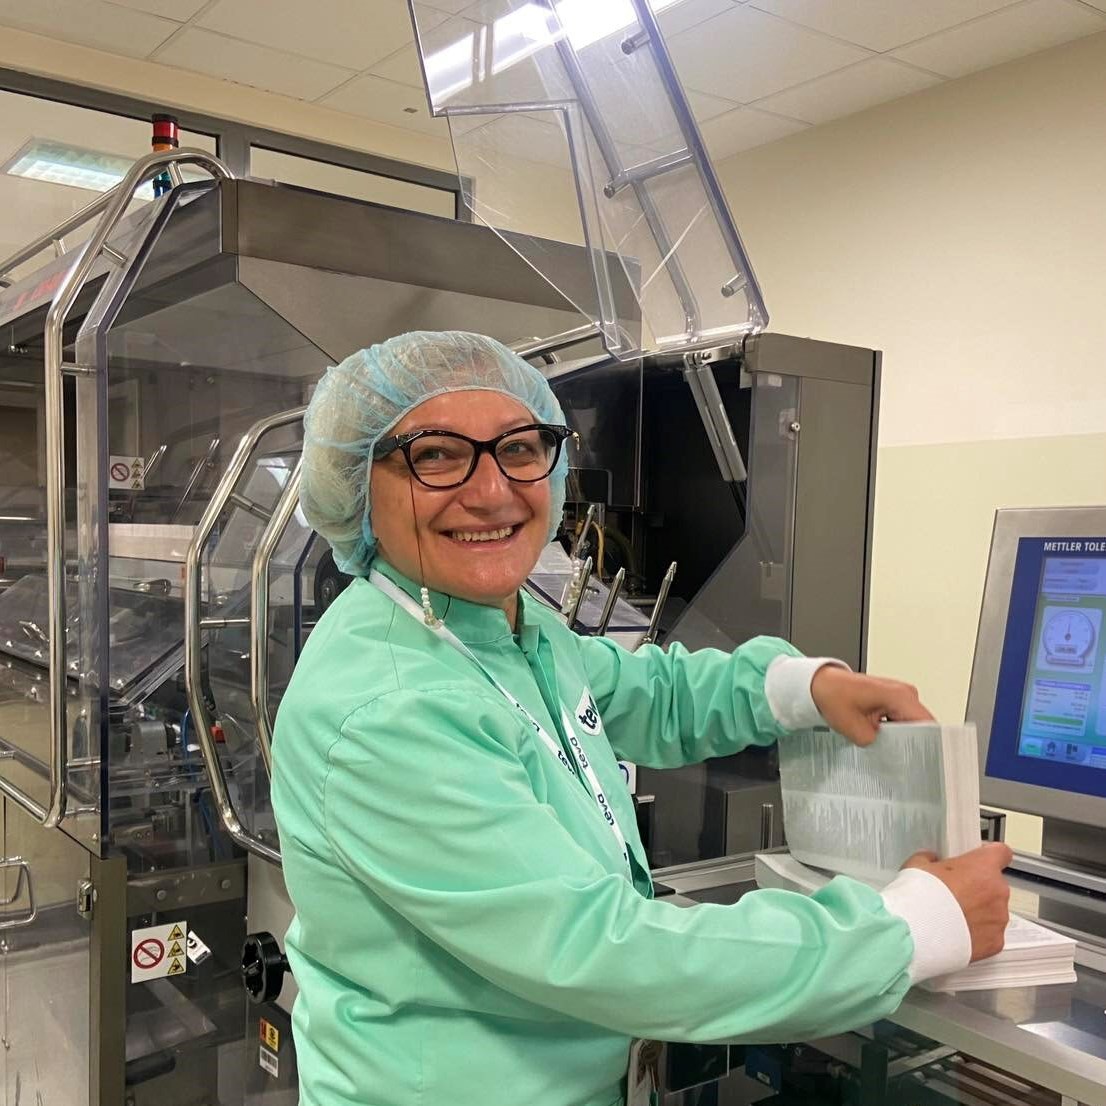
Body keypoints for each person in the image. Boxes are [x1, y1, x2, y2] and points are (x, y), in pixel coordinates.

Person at [271, 330, 1011, 1106]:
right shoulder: (390, 710)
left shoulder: (494, 622)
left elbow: (637, 692)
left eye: (520, 448)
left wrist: (802, 687)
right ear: (359, 485)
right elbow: (604, 953)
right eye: (436, 455)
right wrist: (911, 927)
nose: (492, 491)